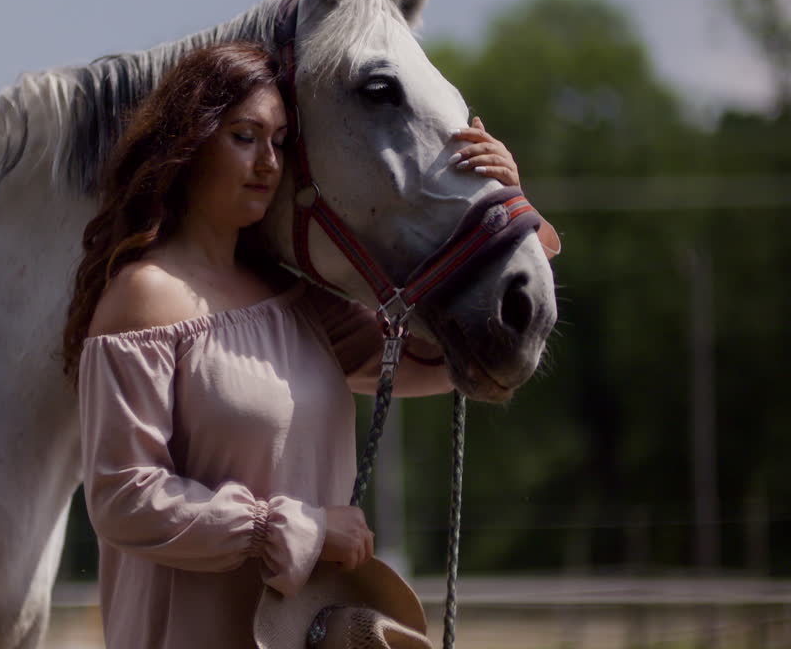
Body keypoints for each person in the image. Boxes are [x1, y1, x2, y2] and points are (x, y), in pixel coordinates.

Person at [62, 42, 525, 648]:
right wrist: (296, 528)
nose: (268, 163)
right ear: (189, 141)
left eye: (279, 142)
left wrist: (505, 215)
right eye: (244, 137)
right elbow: (124, 497)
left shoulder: (297, 301)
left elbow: (447, 358)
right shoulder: (144, 297)